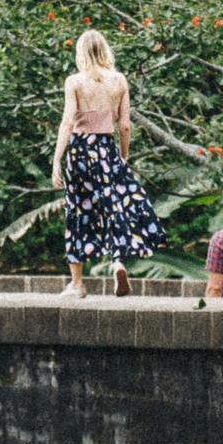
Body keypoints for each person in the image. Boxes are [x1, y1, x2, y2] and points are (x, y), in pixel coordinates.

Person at [51, 28, 164, 298]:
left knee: (78, 213)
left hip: (80, 153)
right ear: (105, 50)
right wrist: (122, 158)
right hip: (107, 150)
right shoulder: (119, 81)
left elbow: (68, 122)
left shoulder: (74, 82)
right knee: (114, 210)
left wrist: (57, 160)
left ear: (80, 53)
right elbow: (125, 126)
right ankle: (117, 262)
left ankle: (77, 284)